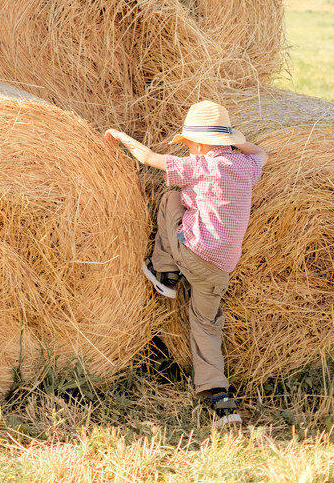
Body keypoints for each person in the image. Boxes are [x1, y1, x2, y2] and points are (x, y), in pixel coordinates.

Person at [105, 101, 268, 427]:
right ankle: (221, 399)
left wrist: (122, 137)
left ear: (204, 145)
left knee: (170, 199)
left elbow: (150, 159)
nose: (190, 149)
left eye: (191, 144)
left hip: (192, 255)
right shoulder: (246, 166)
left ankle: (164, 272)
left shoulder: (201, 166)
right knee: (206, 325)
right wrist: (237, 141)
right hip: (222, 269)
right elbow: (262, 153)